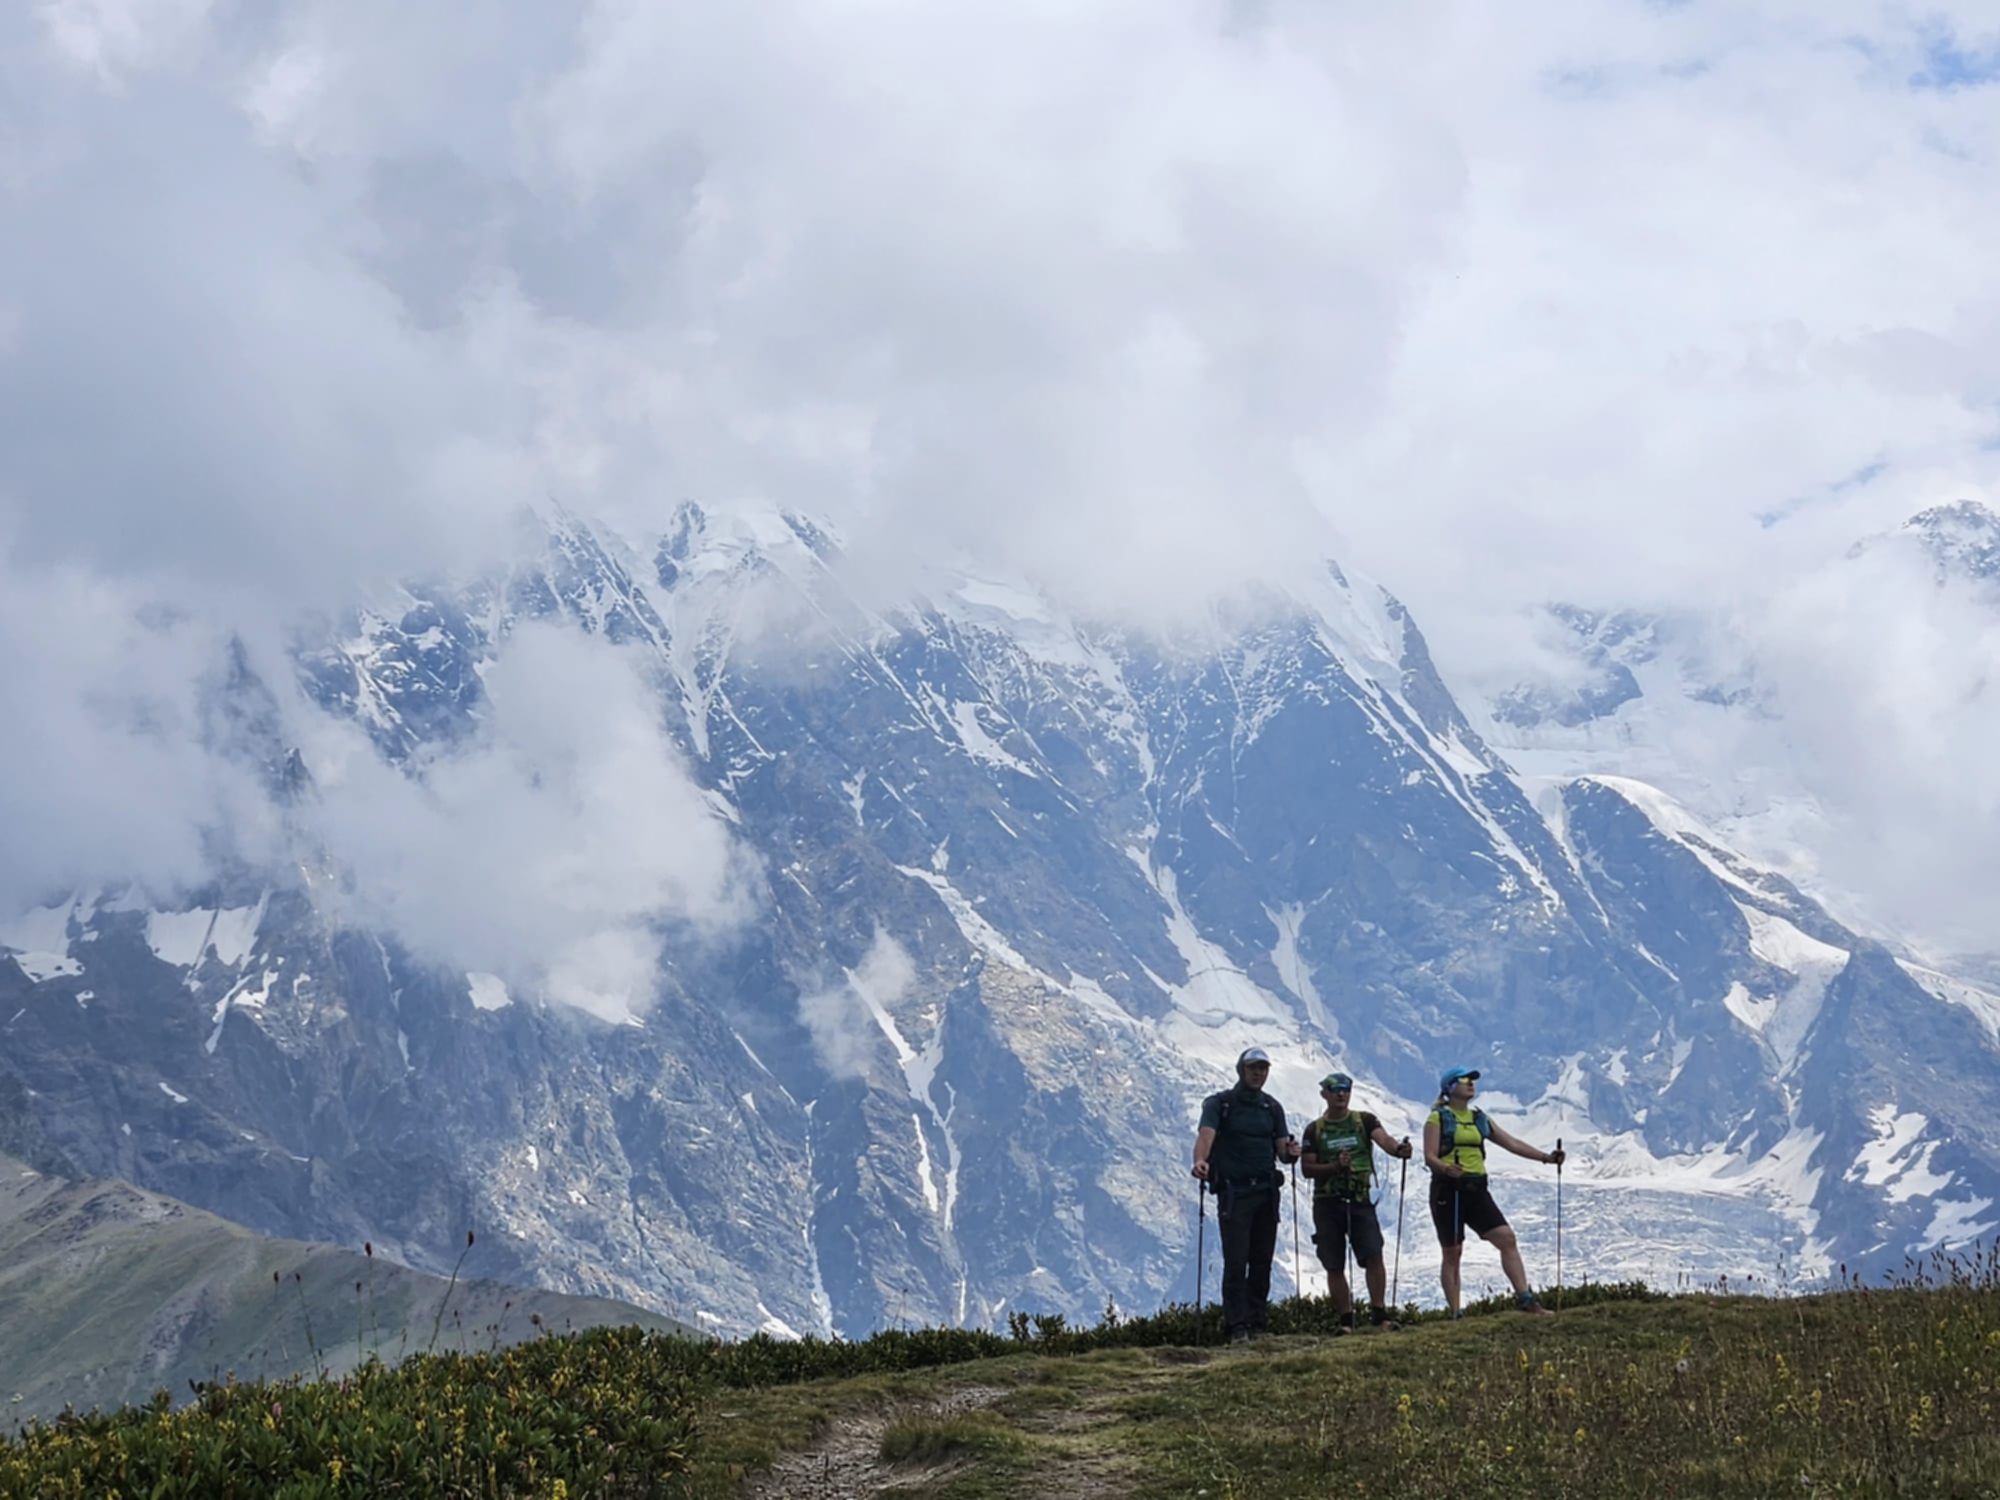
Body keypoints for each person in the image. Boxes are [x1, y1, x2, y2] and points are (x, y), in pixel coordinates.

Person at [1424, 1067, 1565, 1316]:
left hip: (1476, 1189)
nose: (1471, 1084)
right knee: (1453, 1252)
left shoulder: (1479, 1118)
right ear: (1450, 1088)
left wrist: (1546, 1158)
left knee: (1506, 1238)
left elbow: (1511, 1143)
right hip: (1448, 1189)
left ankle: (1526, 1299)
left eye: (1472, 1080)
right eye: (1464, 1080)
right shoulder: (1437, 1118)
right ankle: (1456, 1312)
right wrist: (1446, 1169)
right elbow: (1429, 1156)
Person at [1191, 1047, 1301, 1344]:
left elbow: (1282, 1150)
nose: (1258, 1073)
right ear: (1242, 1070)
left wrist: (1291, 1153)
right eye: (1253, 1068)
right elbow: (1206, 1136)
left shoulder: (1272, 1108)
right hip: (1235, 1193)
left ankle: (1256, 1322)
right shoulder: (1220, 1104)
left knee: (1262, 1260)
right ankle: (1237, 1325)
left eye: (1263, 1068)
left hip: (1266, 1193)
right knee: (1237, 1261)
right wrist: (1200, 1160)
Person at [1299, 1071, 1413, 1332]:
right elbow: (1307, 1168)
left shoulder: (1365, 1120)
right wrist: (1335, 1167)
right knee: (1333, 1262)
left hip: (1358, 1198)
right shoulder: (1314, 1130)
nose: (1341, 1094)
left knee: (1373, 1253)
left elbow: (1384, 1139)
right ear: (1324, 1094)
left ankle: (1379, 1315)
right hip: (1328, 1202)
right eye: (1335, 1089)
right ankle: (1346, 1319)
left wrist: (1398, 1150)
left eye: (1346, 1089)